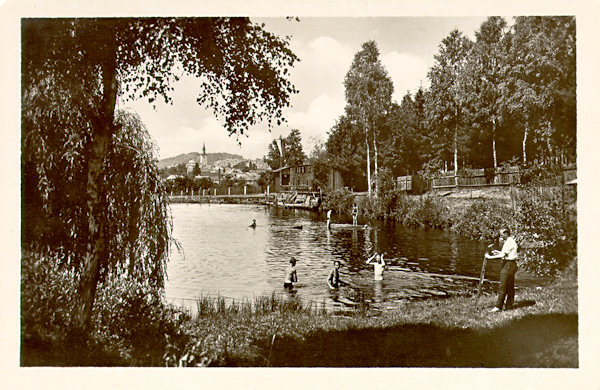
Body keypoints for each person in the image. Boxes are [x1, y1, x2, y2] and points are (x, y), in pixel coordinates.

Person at [485, 227, 518, 312]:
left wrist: (490, 257)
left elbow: (502, 256)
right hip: (511, 265)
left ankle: (498, 307)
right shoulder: (509, 241)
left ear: (506, 233)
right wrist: (498, 252)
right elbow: (506, 254)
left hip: (508, 265)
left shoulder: (509, 243)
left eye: (501, 234)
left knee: (503, 286)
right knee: (510, 286)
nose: (500, 236)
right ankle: (509, 306)